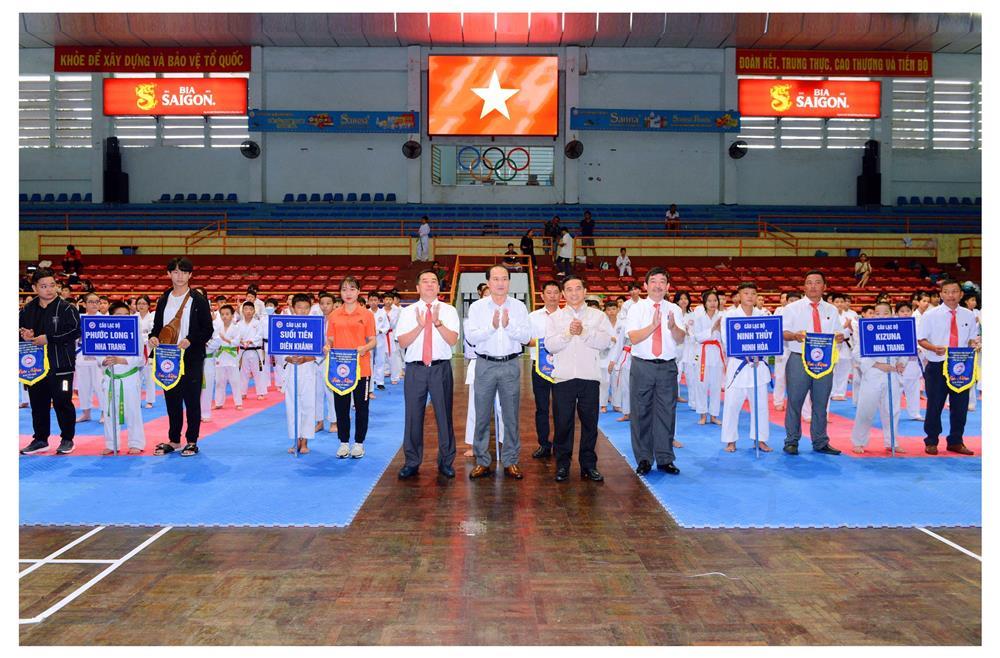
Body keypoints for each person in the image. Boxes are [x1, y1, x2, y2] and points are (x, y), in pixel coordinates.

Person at [463, 265, 532, 480]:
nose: (500, 283)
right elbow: (471, 338)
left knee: (511, 416)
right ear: (488, 282)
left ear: (509, 282)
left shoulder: (519, 307)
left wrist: (508, 326)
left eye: (504, 278)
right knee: (482, 415)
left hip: (510, 364)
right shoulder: (477, 307)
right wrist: (492, 327)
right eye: (496, 279)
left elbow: (526, 337)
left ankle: (511, 460)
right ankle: (482, 461)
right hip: (485, 364)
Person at [545, 276, 614, 482]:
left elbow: (605, 342)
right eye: (569, 289)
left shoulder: (598, 316)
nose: (574, 293)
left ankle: (589, 465)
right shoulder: (555, 317)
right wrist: (568, 333)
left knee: (590, 424)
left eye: (578, 288)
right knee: (562, 424)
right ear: (563, 294)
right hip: (563, 378)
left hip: (589, 377)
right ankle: (562, 465)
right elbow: (550, 345)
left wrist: (584, 332)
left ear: (585, 291)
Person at [396, 270, 461, 478]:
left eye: (434, 281)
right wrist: (420, 326)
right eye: (425, 281)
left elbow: (453, 340)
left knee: (444, 415)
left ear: (439, 287)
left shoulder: (449, 310)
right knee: (413, 416)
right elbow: (403, 342)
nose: (430, 284)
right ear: (418, 287)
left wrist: (437, 323)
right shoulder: (407, 312)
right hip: (415, 369)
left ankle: (446, 461)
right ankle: (412, 461)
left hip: (440, 368)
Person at [149, 257, 214, 457]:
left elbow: (208, 329)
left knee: (192, 400)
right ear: (169, 274)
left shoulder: (198, 300)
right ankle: (174, 440)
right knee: (172, 399)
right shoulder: (164, 299)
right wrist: (153, 337)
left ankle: (192, 441)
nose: (180, 276)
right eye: (176, 272)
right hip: (167, 356)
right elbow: (158, 327)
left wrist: (191, 340)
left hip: (191, 356)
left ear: (190, 275)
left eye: (184, 272)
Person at [625, 267, 686, 476]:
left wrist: (672, 327)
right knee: (640, 412)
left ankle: (665, 458)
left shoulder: (674, 309)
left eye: (662, 281)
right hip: (643, 365)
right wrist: (653, 326)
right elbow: (633, 338)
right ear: (645, 285)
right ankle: (644, 458)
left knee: (666, 413)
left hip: (667, 366)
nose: (658, 285)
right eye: (653, 281)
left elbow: (680, 338)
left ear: (668, 286)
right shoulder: (636, 308)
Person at [781, 270, 845, 456]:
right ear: (804, 286)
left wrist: (840, 337)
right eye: (809, 282)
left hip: (824, 361)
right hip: (799, 358)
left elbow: (839, 333)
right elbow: (783, 332)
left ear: (824, 286)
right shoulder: (792, 308)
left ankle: (820, 441)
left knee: (821, 403)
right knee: (795, 402)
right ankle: (791, 441)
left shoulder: (831, 310)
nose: (813, 286)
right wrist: (795, 335)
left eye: (817, 282)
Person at [19, 268, 82, 455]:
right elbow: (20, 331)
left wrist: (49, 338)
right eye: (44, 286)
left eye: (52, 285)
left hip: (61, 365)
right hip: (36, 366)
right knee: (38, 403)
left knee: (63, 402)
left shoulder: (67, 308)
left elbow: (75, 332)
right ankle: (40, 439)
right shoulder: (27, 310)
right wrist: (25, 335)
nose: (49, 289)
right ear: (34, 288)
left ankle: (67, 439)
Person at [917, 279, 980, 455]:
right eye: (946, 292)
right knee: (935, 405)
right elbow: (921, 339)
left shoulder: (968, 315)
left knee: (960, 406)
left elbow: (971, 339)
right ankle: (931, 441)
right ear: (941, 294)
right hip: (938, 364)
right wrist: (933, 348)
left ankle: (956, 441)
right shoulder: (930, 315)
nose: (951, 295)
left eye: (954, 291)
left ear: (961, 294)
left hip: (961, 365)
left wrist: (975, 344)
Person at [326, 276, 377, 458]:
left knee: (362, 408)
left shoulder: (367, 315)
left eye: (352, 289)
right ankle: (343, 443)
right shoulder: (334, 315)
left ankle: (359, 443)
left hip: (361, 368)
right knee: (341, 407)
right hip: (340, 369)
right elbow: (330, 340)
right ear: (340, 293)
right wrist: (327, 347)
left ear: (358, 292)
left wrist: (365, 348)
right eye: (344, 289)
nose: (348, 293)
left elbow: (373, 341)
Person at [719, 283, 773, 453]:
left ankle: (760, 439)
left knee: (761, 406)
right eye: (746, 293)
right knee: (732, 405)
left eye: (753, 293)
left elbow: (769, 339)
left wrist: (760, 354)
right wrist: (745, 353)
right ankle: (730, 440)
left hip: (758, 366)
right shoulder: (729, 316)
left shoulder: (763, 315)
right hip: (738, 365)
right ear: (739, 296)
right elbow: (727, 341)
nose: (750, 296)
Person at [850, 301, 907, 454]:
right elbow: (857, 353)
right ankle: (859, 442)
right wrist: (877, 364)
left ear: (892, 314)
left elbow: (905, 350)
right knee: (866, 409)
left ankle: (892, 442)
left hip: (892, 374)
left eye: (885, 313)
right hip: (872, 374)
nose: (881, 316)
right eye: (877, 313)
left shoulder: (898, 330)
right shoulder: (867, 330)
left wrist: (901, 362)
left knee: (893, 410)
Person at [463, 282, 505, 458]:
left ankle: (504, 442)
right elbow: (472, 343)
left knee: (502, 407)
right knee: (476, 407)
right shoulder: (470, 321)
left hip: (502, 365)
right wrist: (490, 328)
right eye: (486, 296)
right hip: (478, 363)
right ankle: (473, 443)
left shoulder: (505, 319)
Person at [100, 301, 146, 455]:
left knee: (133, 411)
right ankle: (111, 443)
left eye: (126, 315)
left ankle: (136, 442)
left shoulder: (135, 332)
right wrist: (104, 361)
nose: (123, 318)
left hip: (129, 376)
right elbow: (97, 352)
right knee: (109, 412)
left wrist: (121, 360)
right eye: (119, 315)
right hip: (110, 376)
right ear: (111, 316)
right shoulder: (103, 332)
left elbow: (141, 358)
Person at [528, 281, 562, 458]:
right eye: (549, 292)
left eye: (556, 292)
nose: (552, 296)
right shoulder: (533, 317)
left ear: (561, 295)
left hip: (562, 367)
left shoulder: (567, 316)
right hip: (539, 367)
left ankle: (560, 445)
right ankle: (543, 444)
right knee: (542, 407)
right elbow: (526, 340)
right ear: (542, 295)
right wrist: (544, 343)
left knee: (561, 408)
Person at [282, 294, 318, 455]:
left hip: (308, 369)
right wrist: (290, 358)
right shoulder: (286, 326)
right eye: (299, 307)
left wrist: (306, 359)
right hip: (291, 370)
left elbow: (320, 353)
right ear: (293, 308)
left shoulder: (315, 326)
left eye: (306, 308)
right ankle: (295, 439)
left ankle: (305, 441)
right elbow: (280, 350)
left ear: (310, 309)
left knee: (308, 405)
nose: (302, 311)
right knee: (292, 406)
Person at [691, 290, 724, 427]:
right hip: (703, 352)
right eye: (709, 301)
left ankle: (714, 415)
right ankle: (703, 414)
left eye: (715, 300)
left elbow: (725, 337)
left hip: (716, 353)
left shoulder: (722, 316)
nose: (712, 303)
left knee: (716, 386)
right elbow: (697, 337)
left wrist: (720, 330)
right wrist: (712, 329)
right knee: (701, 385)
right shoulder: (699, 318)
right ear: (704, 303)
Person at [74, 292, 106, 424]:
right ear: (84, 304)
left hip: (99, 358)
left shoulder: (104, 319)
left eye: (97, 302)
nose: (94, 304)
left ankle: (104, 412)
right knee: (83, 387)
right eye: (91, 302)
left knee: (100, 386)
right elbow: (74, 337)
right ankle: (86, 413)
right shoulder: (79, 319)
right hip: (82, 356)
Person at [312, 292, 338, 434]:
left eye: (328, 303)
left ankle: (334, 421)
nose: (325, 306)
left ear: (334, 305)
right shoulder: (316, 320)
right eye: (322, 303)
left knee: (331, 392)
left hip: (331, 358)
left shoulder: (337, 321)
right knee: (316, 392)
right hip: (316, 360)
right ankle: (319, 421)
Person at [895, 301, 924, 421]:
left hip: (913, 360)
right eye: (902, 311)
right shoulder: (893, 326)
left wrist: (920, 348)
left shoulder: (917, 325)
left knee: (913, 388)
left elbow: (922, 340)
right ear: (896, 313)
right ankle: (893, 413)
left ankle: (915, 413)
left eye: (908, 311)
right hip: (898, 363)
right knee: (896, 390)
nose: (905, 313)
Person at [772, 291, 801, 411]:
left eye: (796, 300)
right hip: (783, 348)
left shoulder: (804, 313)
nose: (793, 303)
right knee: (780, 376)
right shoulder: (779, 312)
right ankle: (778, 401)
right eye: (791, 300)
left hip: (799, 348)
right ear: (786, 301)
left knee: (798, 379)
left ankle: (797, 404)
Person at [213, 304, 243, 411]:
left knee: (235, 381)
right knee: (219, 381)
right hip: (220, 356)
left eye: (227, 314)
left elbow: (237, 342)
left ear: (232, 315)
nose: (224, 316)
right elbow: (214, 341)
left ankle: (238, 403)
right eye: (222, 314)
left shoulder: (236, 328)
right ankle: (218, 403)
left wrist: (225, 339)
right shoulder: (217, 328)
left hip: (232, 357)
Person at [237, 301, 268, 400]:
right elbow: (236, 336)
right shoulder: (239, 324)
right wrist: (241, 341)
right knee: (243, 372)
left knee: (258, 372)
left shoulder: (258, 323)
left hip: (255, 350)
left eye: (251, 309)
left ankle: (261, 393)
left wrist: (250, 341)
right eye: (246, 309)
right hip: (243, 350)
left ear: (254, 311)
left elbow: (260, 335)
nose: (248, 311)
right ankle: (242, 392)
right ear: (242, 311)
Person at [830, 293, 857, 402]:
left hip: (846, 345)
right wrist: (845, 326)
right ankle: (832, 392)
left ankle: (840, 393)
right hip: (833, 344)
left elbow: (854, 331)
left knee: (844, 370)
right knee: (832, 371)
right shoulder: (829, 315)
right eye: (837, 302)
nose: (839, 304)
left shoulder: (849, 315)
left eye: (841, 302)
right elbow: (830, 330)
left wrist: (850, 326)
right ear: (832, 303)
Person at [135, 295, 157, 409]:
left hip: (149, 348)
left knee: (149, 376)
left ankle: (150, 400)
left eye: (144, 304)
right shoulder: (134, 317)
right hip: (137, 349)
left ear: (148, 305)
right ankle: (136, 400)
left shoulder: (153, 317)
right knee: (136, 377)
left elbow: (154, 332)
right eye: (139, 304)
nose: (141, 306)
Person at [599, 300, 620, 413]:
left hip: (618, 356)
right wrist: (610, 338)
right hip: (605, 355)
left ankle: (616, 404)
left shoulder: (623, 323)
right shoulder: (602, 324)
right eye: (608, 309)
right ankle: (603, 404)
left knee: (616, 382)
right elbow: (599, 338)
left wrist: (617, 340)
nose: (611, 312)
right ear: (605, 311)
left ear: (618, 309)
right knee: (604, 382)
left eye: (613, 309)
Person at [370, 293, 390, 393]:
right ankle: (370, 380)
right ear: (368, 301)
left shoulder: (382, 313)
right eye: (371, 300)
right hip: (369, 339)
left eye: (375, 300)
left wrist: (380, 331)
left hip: (380, 338)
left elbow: (387, 326)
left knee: (380, 360)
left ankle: (380, 382)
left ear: (378, 301)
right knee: (369, 360)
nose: (373, 302)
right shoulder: (366, 312)